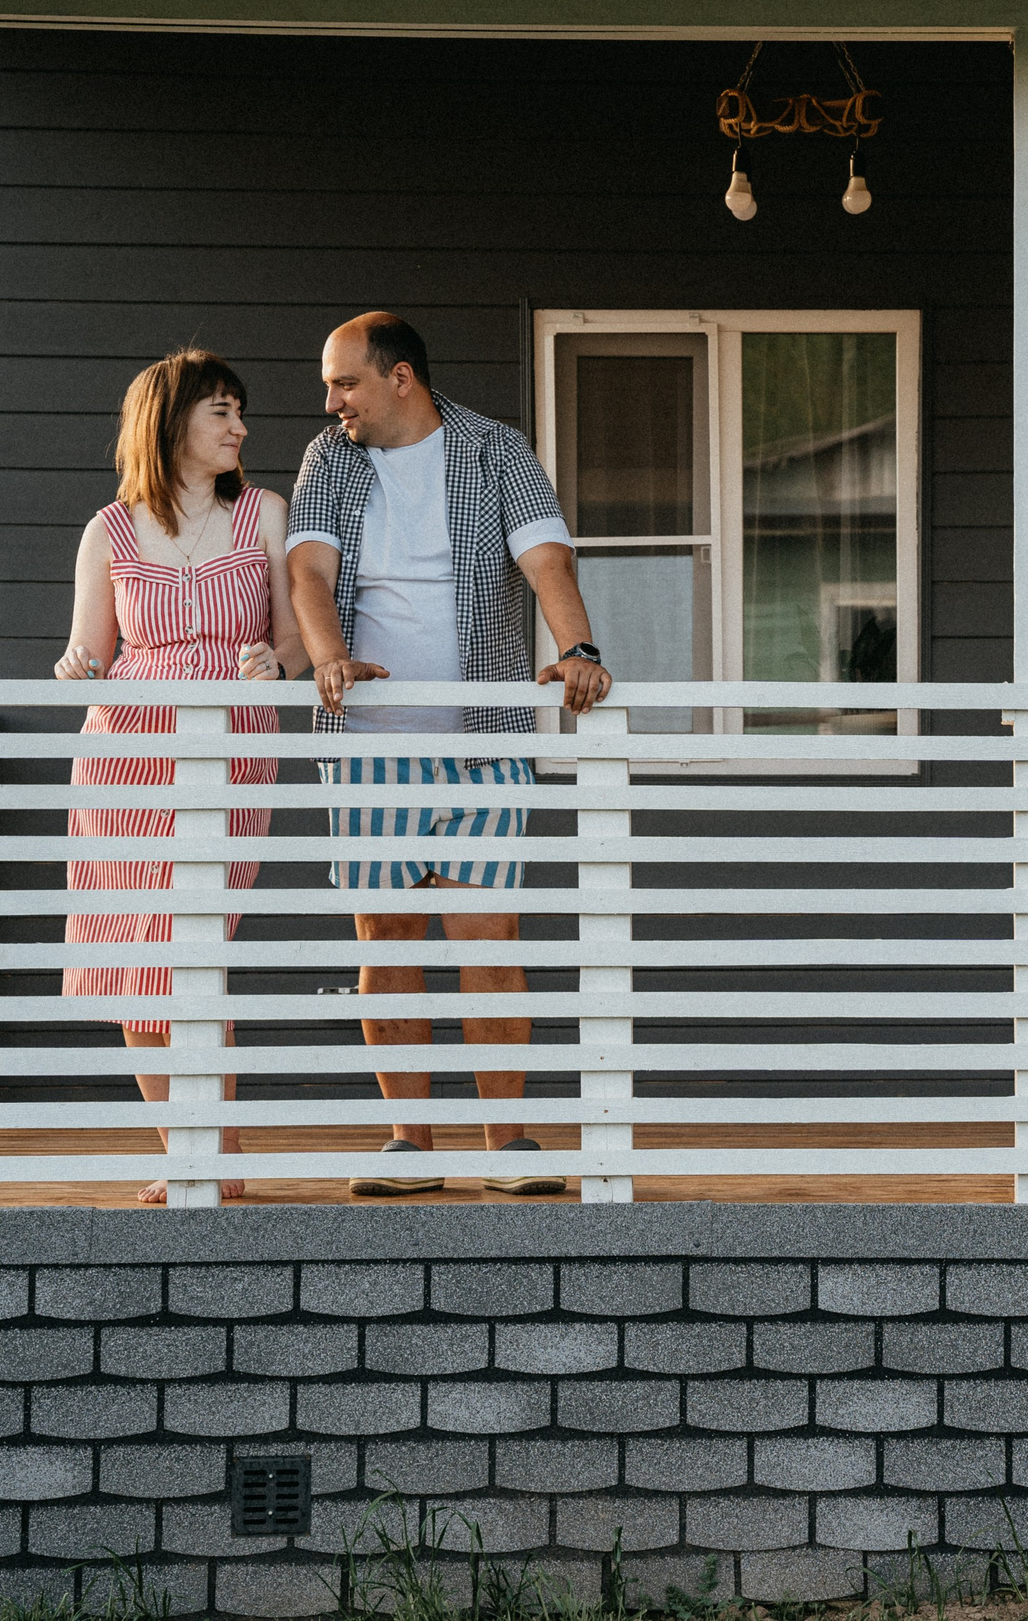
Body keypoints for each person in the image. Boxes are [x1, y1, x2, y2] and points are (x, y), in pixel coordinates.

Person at [287, 312, 612, 1199]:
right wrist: (328, 658)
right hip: (365, 746)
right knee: (385, 936)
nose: (332, 400)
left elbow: (548, 562)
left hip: (485, 743)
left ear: (399, 379)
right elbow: (308, 573)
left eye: (345, 381)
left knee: (488, 935)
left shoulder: (496, 450)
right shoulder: (329, 460)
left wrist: (577, 650)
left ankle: (506, 1145)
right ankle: (410, 1144)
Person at [57, 349, 303, 1205]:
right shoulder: (109, 530)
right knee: (136, 953)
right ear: (171, 425)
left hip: (230, 741)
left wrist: (276, 660)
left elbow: (296, 637)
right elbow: (91, 648)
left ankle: (215, 1151)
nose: (241, 428)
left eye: (240, 412)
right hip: (126, 750)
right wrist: (74, 664)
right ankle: (195, 1152)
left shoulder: (265, 512)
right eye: (222, 412)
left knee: (194, 944)